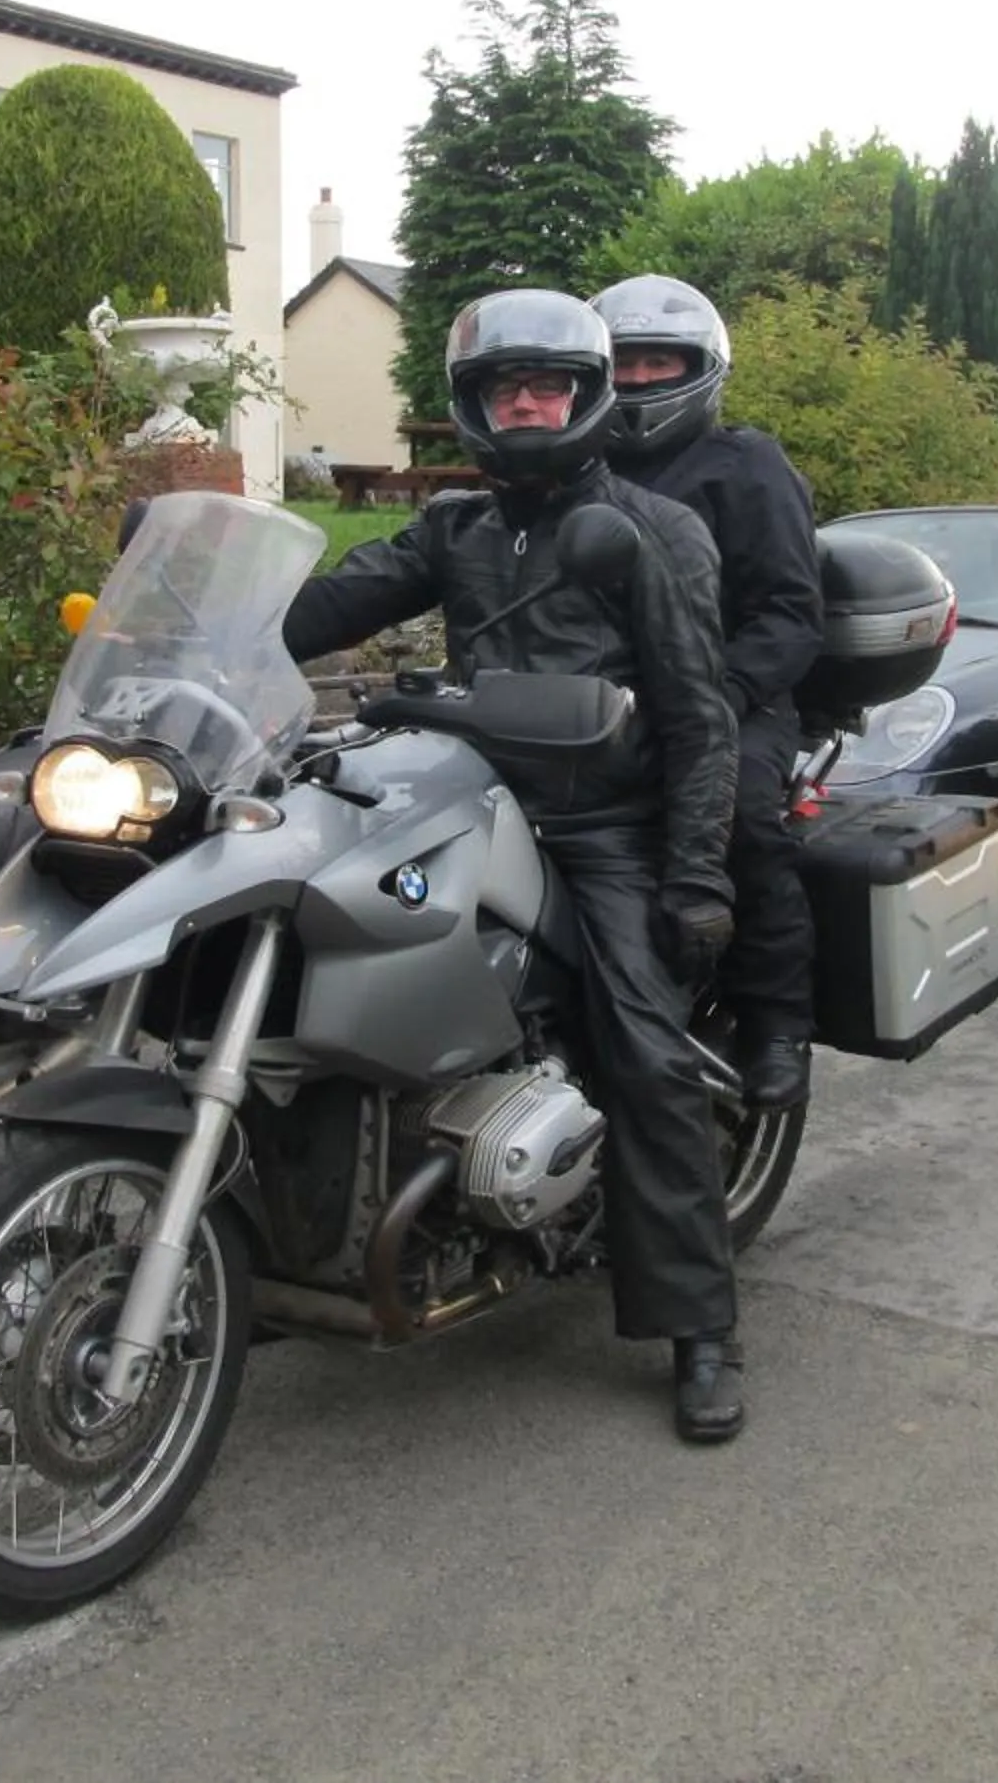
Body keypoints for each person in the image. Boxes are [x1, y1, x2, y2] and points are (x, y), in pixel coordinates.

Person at [280, 289, 750, 1443]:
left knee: (643, 1044)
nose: (528, 403)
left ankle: (702, 1328)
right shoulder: (457, 530)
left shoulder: (650, 529)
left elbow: (700, 716)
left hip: (604, 824)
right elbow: (332, 603)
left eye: (548, 385)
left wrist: (696, 873)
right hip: (456, 794)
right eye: (506, 388)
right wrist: (213, 617)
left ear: (587, 399)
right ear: (477, 405)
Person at [592, 272, 825, 1112]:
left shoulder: (747, 466)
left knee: (743, 826)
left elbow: (794, 616)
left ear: (702, 368)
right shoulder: (573, 465)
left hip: (732, 700)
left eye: (661, 361)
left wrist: (711, 697)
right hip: (590, 705)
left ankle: (777, 1027)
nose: (642, 380)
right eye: (625, 363)